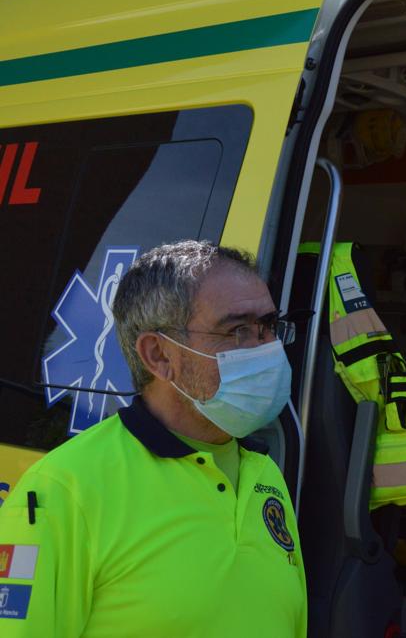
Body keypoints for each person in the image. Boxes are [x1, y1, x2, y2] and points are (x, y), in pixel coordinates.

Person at [0, 241, 306, 636]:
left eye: (268, 326)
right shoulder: (64, 490)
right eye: (239, 330)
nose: (267, 348)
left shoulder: (264, 474)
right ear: (159, 355)